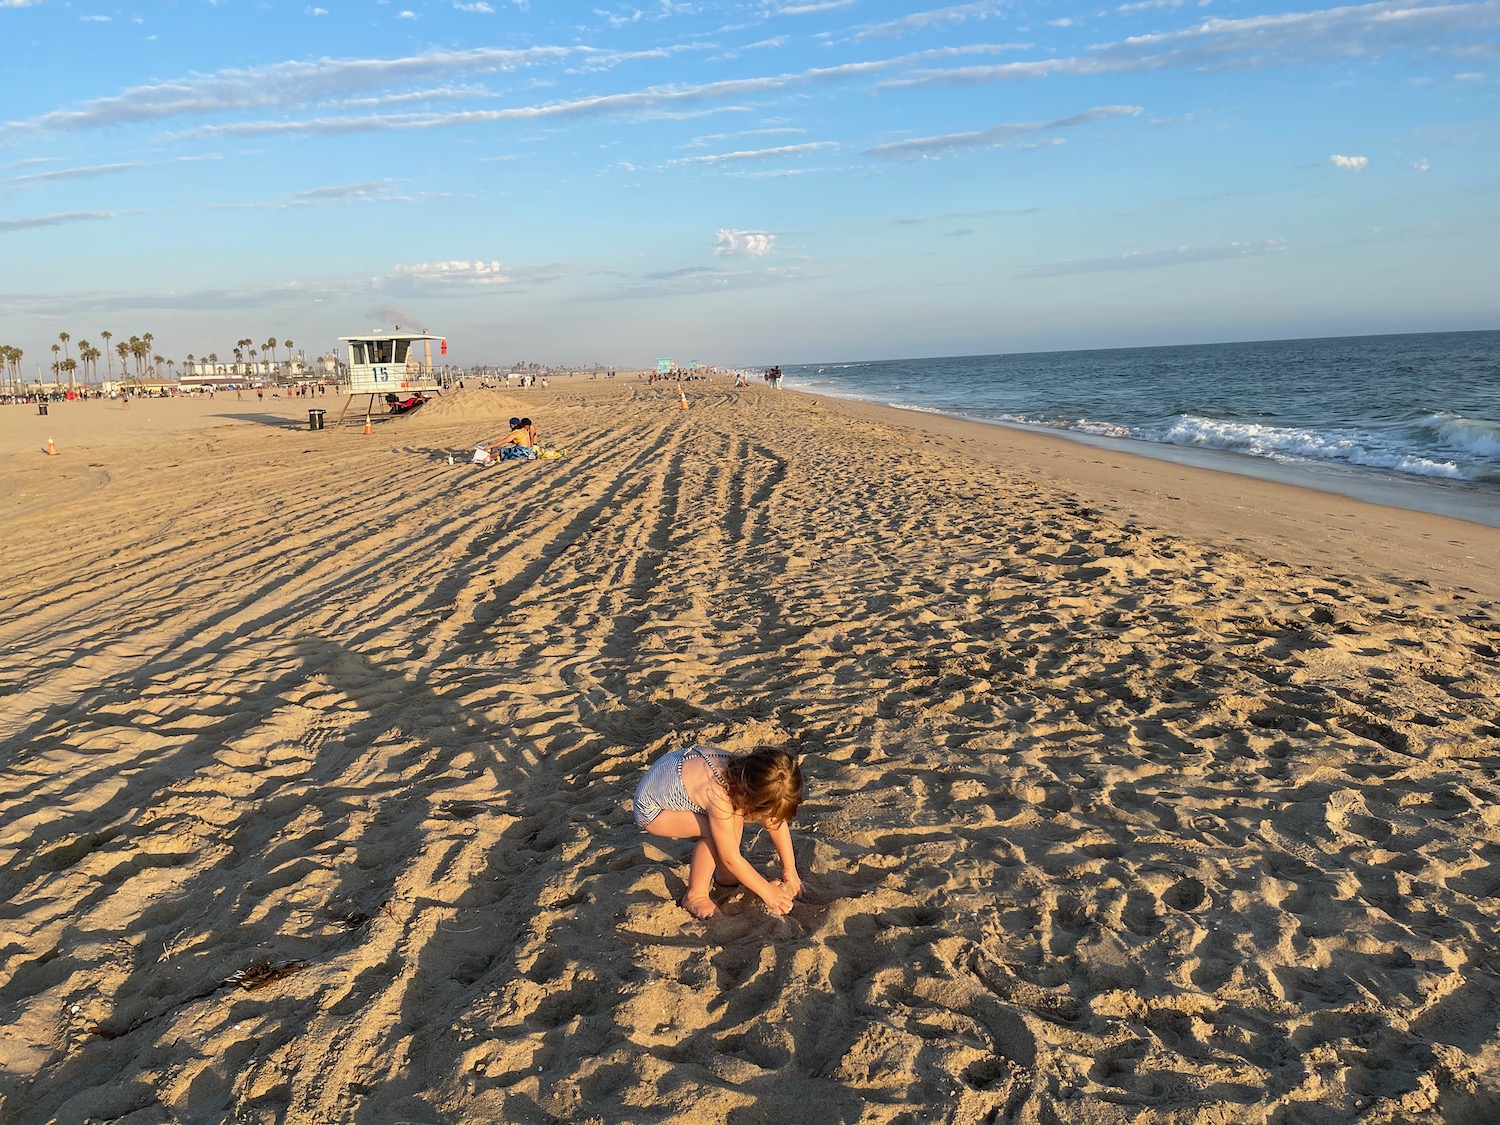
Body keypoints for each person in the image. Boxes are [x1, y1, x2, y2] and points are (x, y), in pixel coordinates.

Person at [634, 744, 803, 919]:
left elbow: (775, 821)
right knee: (715, 832)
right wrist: (767, 892)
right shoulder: (717, 792)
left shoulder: (747, 773)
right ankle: (695, 895)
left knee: (732, 820)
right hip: (652, 809)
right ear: (748, 795)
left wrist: (789, 868)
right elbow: (729, 857)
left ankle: (726, 878)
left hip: (670, 773)